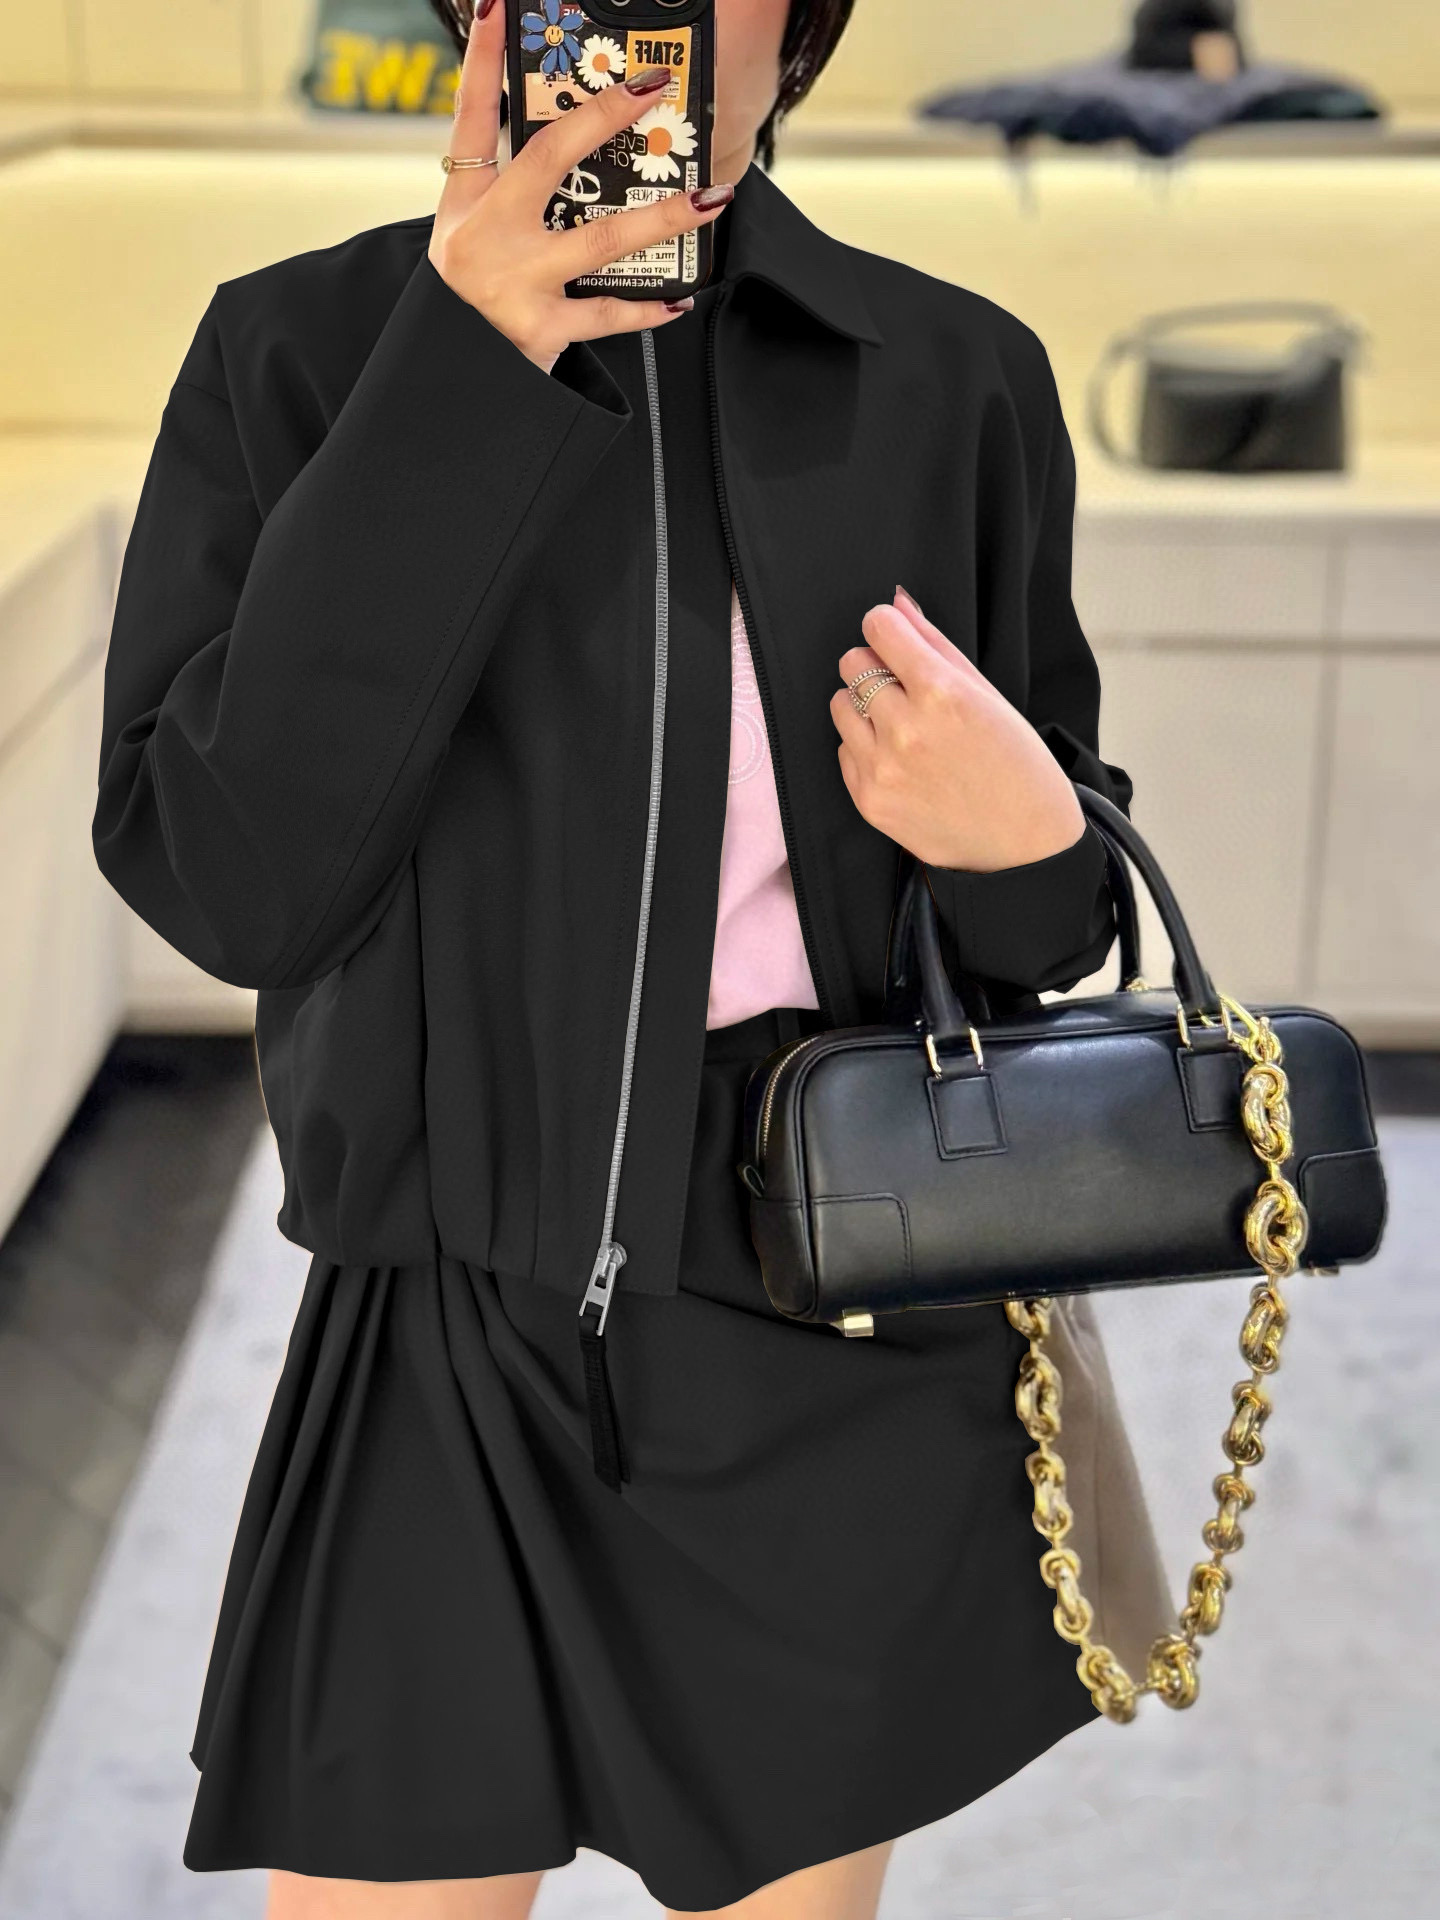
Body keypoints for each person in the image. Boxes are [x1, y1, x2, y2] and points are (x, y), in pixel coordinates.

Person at [91, 0, 1171, 1914]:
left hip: (836, 1304)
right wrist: (457, 369)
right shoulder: (302, 357)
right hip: (443, 1327)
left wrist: (1031, 840)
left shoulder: (948, 378)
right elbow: (229, 880)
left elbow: (1040, 944)